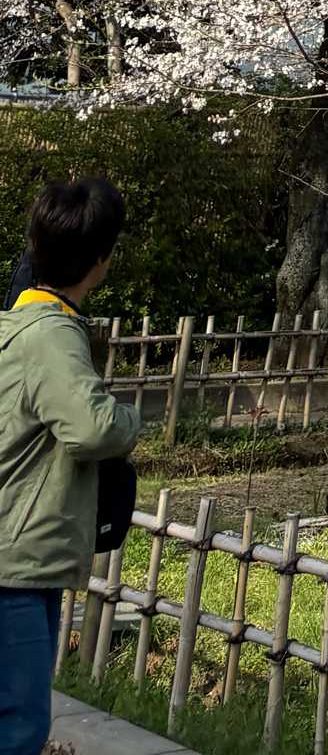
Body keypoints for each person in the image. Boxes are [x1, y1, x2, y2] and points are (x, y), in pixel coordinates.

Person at [0, 178, 141, 755]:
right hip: (17, 565)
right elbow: (92, 429)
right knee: (18, 725)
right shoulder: (52, 334)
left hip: (15, 554)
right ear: (101, 260)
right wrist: (130, 419)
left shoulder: (14, 323)